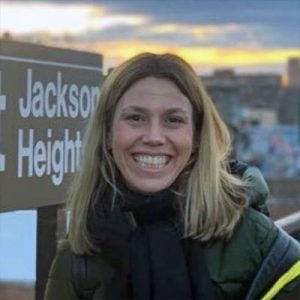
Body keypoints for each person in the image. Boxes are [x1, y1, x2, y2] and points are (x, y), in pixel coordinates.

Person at [44, 53, 300, 300]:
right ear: (108, 133)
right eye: (135, 117)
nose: (154, 137)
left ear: (197, 137)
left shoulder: (254, 240)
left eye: (173, 120)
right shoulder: (79, 256)